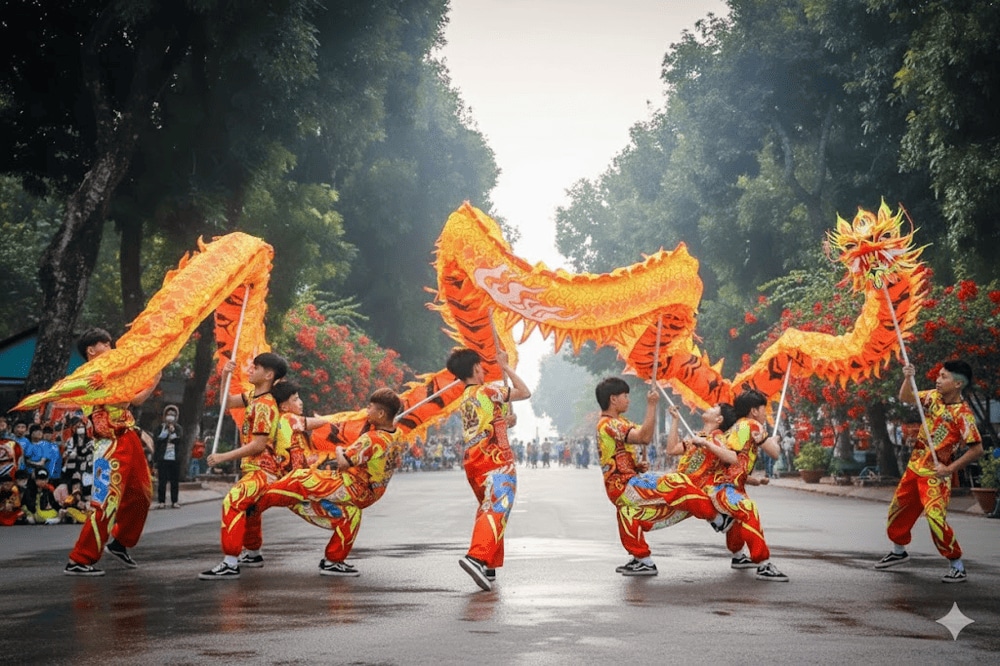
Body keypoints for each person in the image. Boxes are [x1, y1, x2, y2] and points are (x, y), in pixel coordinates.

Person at [251, 387, 404, 577]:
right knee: (349, 515)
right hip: (370, 494)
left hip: (351, 486)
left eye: (370, 407)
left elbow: (343, 462)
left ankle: (257, 501)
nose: (366, 410)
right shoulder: (398, 435)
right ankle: (333, 561)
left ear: (381, 413)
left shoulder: (371, 439)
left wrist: (340, 449)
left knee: (301, 478)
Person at [595, 377, 733, 577]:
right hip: (625, 484)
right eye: (625, 396)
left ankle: (642, 560)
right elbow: (645, 437)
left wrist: (635, 465)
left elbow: (619, 453)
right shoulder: (610, 424)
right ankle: (717, 518)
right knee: (677, 482)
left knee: (628, 515)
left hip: (622, 484)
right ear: (613, 399)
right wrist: (652, 405)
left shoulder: (617, 423)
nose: (629, 400)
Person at [875, 361, 984, 583]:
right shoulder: (933, 397)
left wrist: (950, 469)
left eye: (943, 377)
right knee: (897, 511)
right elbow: (907, 397)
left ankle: (956, 563)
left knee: (935, 518)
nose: (938, 379)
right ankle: (898, 552)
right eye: (939, 376)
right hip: (914, 468)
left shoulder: (962, 414)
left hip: (936, 475)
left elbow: (977, 449)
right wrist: (907, 378)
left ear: (957, 384)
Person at [64, 327, 160, 576]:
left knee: (142, 494)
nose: (111, 348)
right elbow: (126, 400)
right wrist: (150, 380)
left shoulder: (112, 372)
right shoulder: (89, 376)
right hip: (107, 444)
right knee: (105, 502)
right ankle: (80, 559)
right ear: (91, 350)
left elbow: (131, 400)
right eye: (106, 344)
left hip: (127, 435)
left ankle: (120, 542)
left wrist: (151, 378)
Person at [447, 347, 531, 591]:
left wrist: (506, 422)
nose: (485, 371)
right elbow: (524, 392)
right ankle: (476, 557)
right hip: (495, 460)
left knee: (488, 508)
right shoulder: (488, 390)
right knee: (497, 508)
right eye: (482, 367)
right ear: (474, 368)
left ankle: (488, 564)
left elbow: (489, 424)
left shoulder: (466, 398)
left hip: (474, 461)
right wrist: (505, 367)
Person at [199, 352, 287, 580]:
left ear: (268, 374)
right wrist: (224, 378)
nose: (250, 369)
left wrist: (222, 457)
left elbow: (258, 445)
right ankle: (254, 553)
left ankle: (230, 562)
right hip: (254, 469)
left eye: (255, 367)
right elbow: (225, 403)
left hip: (262, 470)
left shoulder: (265, 406)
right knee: (250, 509)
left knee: (233, 502)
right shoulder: (254, 398)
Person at [153, 404, 184, 509]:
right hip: (163, 458)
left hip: (174, 459)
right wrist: (166, 432)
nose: (170, 416)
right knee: (162, 481)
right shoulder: (160, 428)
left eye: (173, 414)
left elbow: (179, 440)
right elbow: (157, 440)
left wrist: (173, 431)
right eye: (168, 414)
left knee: (174, 481)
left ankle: (174, 501)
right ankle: (161, 501)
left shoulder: (178, 428)